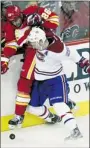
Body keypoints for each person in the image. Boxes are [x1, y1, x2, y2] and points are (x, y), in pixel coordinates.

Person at [1, 5, 60, 129]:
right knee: (26, 83)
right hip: (33, 51)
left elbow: (54, 19)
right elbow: (11, 44)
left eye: (17, 19)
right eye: (12, 21)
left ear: (21, 14)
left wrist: (42, 23)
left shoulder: (34, 10)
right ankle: (20, 115)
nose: (16, 23)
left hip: (49, 46)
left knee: (35, 80)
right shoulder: (9, 27)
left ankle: (65, 101)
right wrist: (4, 60)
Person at [25, 27, 90, 140]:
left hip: (55, 80)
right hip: (40, 81)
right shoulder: (44, 36)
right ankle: (53, 117)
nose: (32, 46)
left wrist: (85, 63)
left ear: (41, 41)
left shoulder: (58, 49)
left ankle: (75, 131)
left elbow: (73, 54)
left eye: (34, 43)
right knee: (31, 108)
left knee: (58, 105)